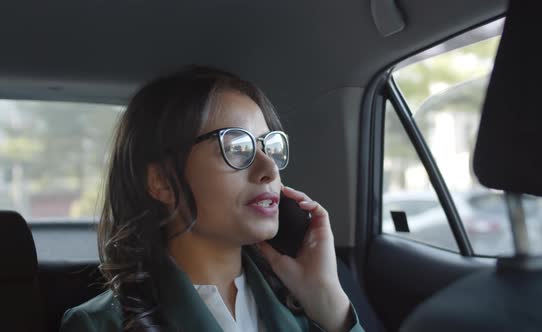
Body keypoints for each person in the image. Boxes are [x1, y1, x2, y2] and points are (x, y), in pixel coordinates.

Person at [60, 66, 364, 332]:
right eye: (236, 148)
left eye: (269, 147)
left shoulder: (307, 308)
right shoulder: (100, 325)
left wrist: (328, 301)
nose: (269, 169)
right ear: (162, 182)